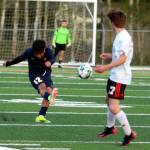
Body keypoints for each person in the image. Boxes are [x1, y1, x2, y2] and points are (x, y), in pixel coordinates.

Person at [94, 10, 137, 146]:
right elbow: (120, 56)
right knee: (109, 101)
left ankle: (129, 134)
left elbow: (123, 59)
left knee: (113, 107)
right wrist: (109, 55)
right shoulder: (120, 35)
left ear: (113, 23)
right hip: (115, 74)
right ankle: (110, 127)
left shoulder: (124, 37)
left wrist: (105, 67)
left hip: (120, 76)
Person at [3, 39, 58, 123]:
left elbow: (53, 58)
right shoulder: (29, 52)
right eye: (37, 54)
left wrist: (50, 62)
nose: (39, 56)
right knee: (42, 87)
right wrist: (9, 63)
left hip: (46, 73)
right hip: (34, 74)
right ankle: (50, 98)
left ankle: (41, 116)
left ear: (44, 50)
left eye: (41, 54)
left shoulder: (48, 51)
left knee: (49, 91)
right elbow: (19, 58)